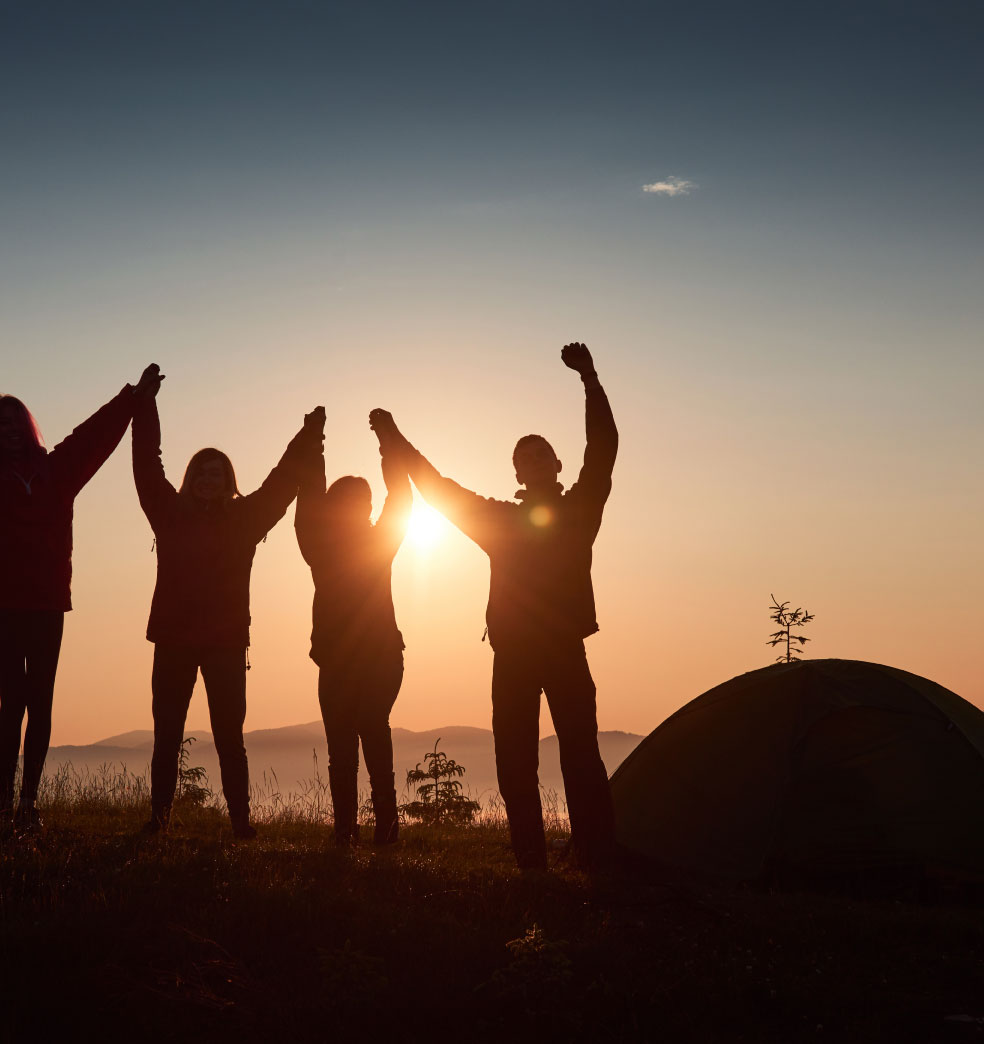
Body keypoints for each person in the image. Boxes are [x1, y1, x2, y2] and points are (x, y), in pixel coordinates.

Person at [371, 342, 618, 870]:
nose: (531, 461)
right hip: (513, 657)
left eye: (539, 454)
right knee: (514, 762)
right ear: (518, 474)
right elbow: (438, 488)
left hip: (565, 651)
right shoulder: (500, 522)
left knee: (581, 755)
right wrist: (394, 439)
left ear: (557, 465)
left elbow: (604, 447)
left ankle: (597, 858)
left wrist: (590, 380)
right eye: (522, 459)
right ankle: (531, 863)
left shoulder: (580, 509)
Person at [132, 369, 323, 838]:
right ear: (189, 479)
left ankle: (241, 824)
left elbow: (281, 483)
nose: (206, 479)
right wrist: (145, 405)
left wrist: (307, 436)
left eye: (215, 473)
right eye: (200, 472)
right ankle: (159, 821)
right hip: (173, 641)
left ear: (228, 481)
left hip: (225, 644)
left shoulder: (245, 519)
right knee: (166, 736)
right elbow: (146, 465)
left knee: (229, 739)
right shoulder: (168, 512)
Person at [0, 367, 158, 829]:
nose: (8, 430)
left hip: (48, 606)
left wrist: (131, 398)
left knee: (40, 702)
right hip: (4, 607)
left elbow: (93, 436)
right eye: (0, 424)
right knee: (10, 704)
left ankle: (28, 803)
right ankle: (4, 804)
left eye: (14, 422)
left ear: (27, 426)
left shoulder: (57, 470)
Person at [294, 408, 412, 846]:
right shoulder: (319, 548)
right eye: (349, 501)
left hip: (380, 658)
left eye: (363, 501)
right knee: (343, 745)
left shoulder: (378, 542)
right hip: (339, 661)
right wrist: (315, 441)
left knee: (370, 729)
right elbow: (309, 498)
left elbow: (400, 497)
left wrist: (387, 440)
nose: (359, 507)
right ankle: (347, 829)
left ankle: (383, 827)